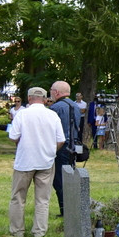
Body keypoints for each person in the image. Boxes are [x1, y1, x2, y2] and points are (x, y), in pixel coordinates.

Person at [8, 87, 64, 237]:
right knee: (42, 199)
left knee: (18, 197)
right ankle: (39, 231)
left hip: (25, 161)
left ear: (29, 98)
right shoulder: (52, 115)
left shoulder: (22, 114)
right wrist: (51, 151)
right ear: (45, 99)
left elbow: (13, 136)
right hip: (45, 160)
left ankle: (17, 231)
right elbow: (61, 140)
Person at [49, 80, 81, 216]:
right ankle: (72, 207)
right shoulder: (76, 106)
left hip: (60, 147)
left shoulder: (55, 108)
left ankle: (65, 210)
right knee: (70, 177)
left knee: (59, 180)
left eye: (51, 90)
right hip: (73, 147)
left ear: (56, 92)